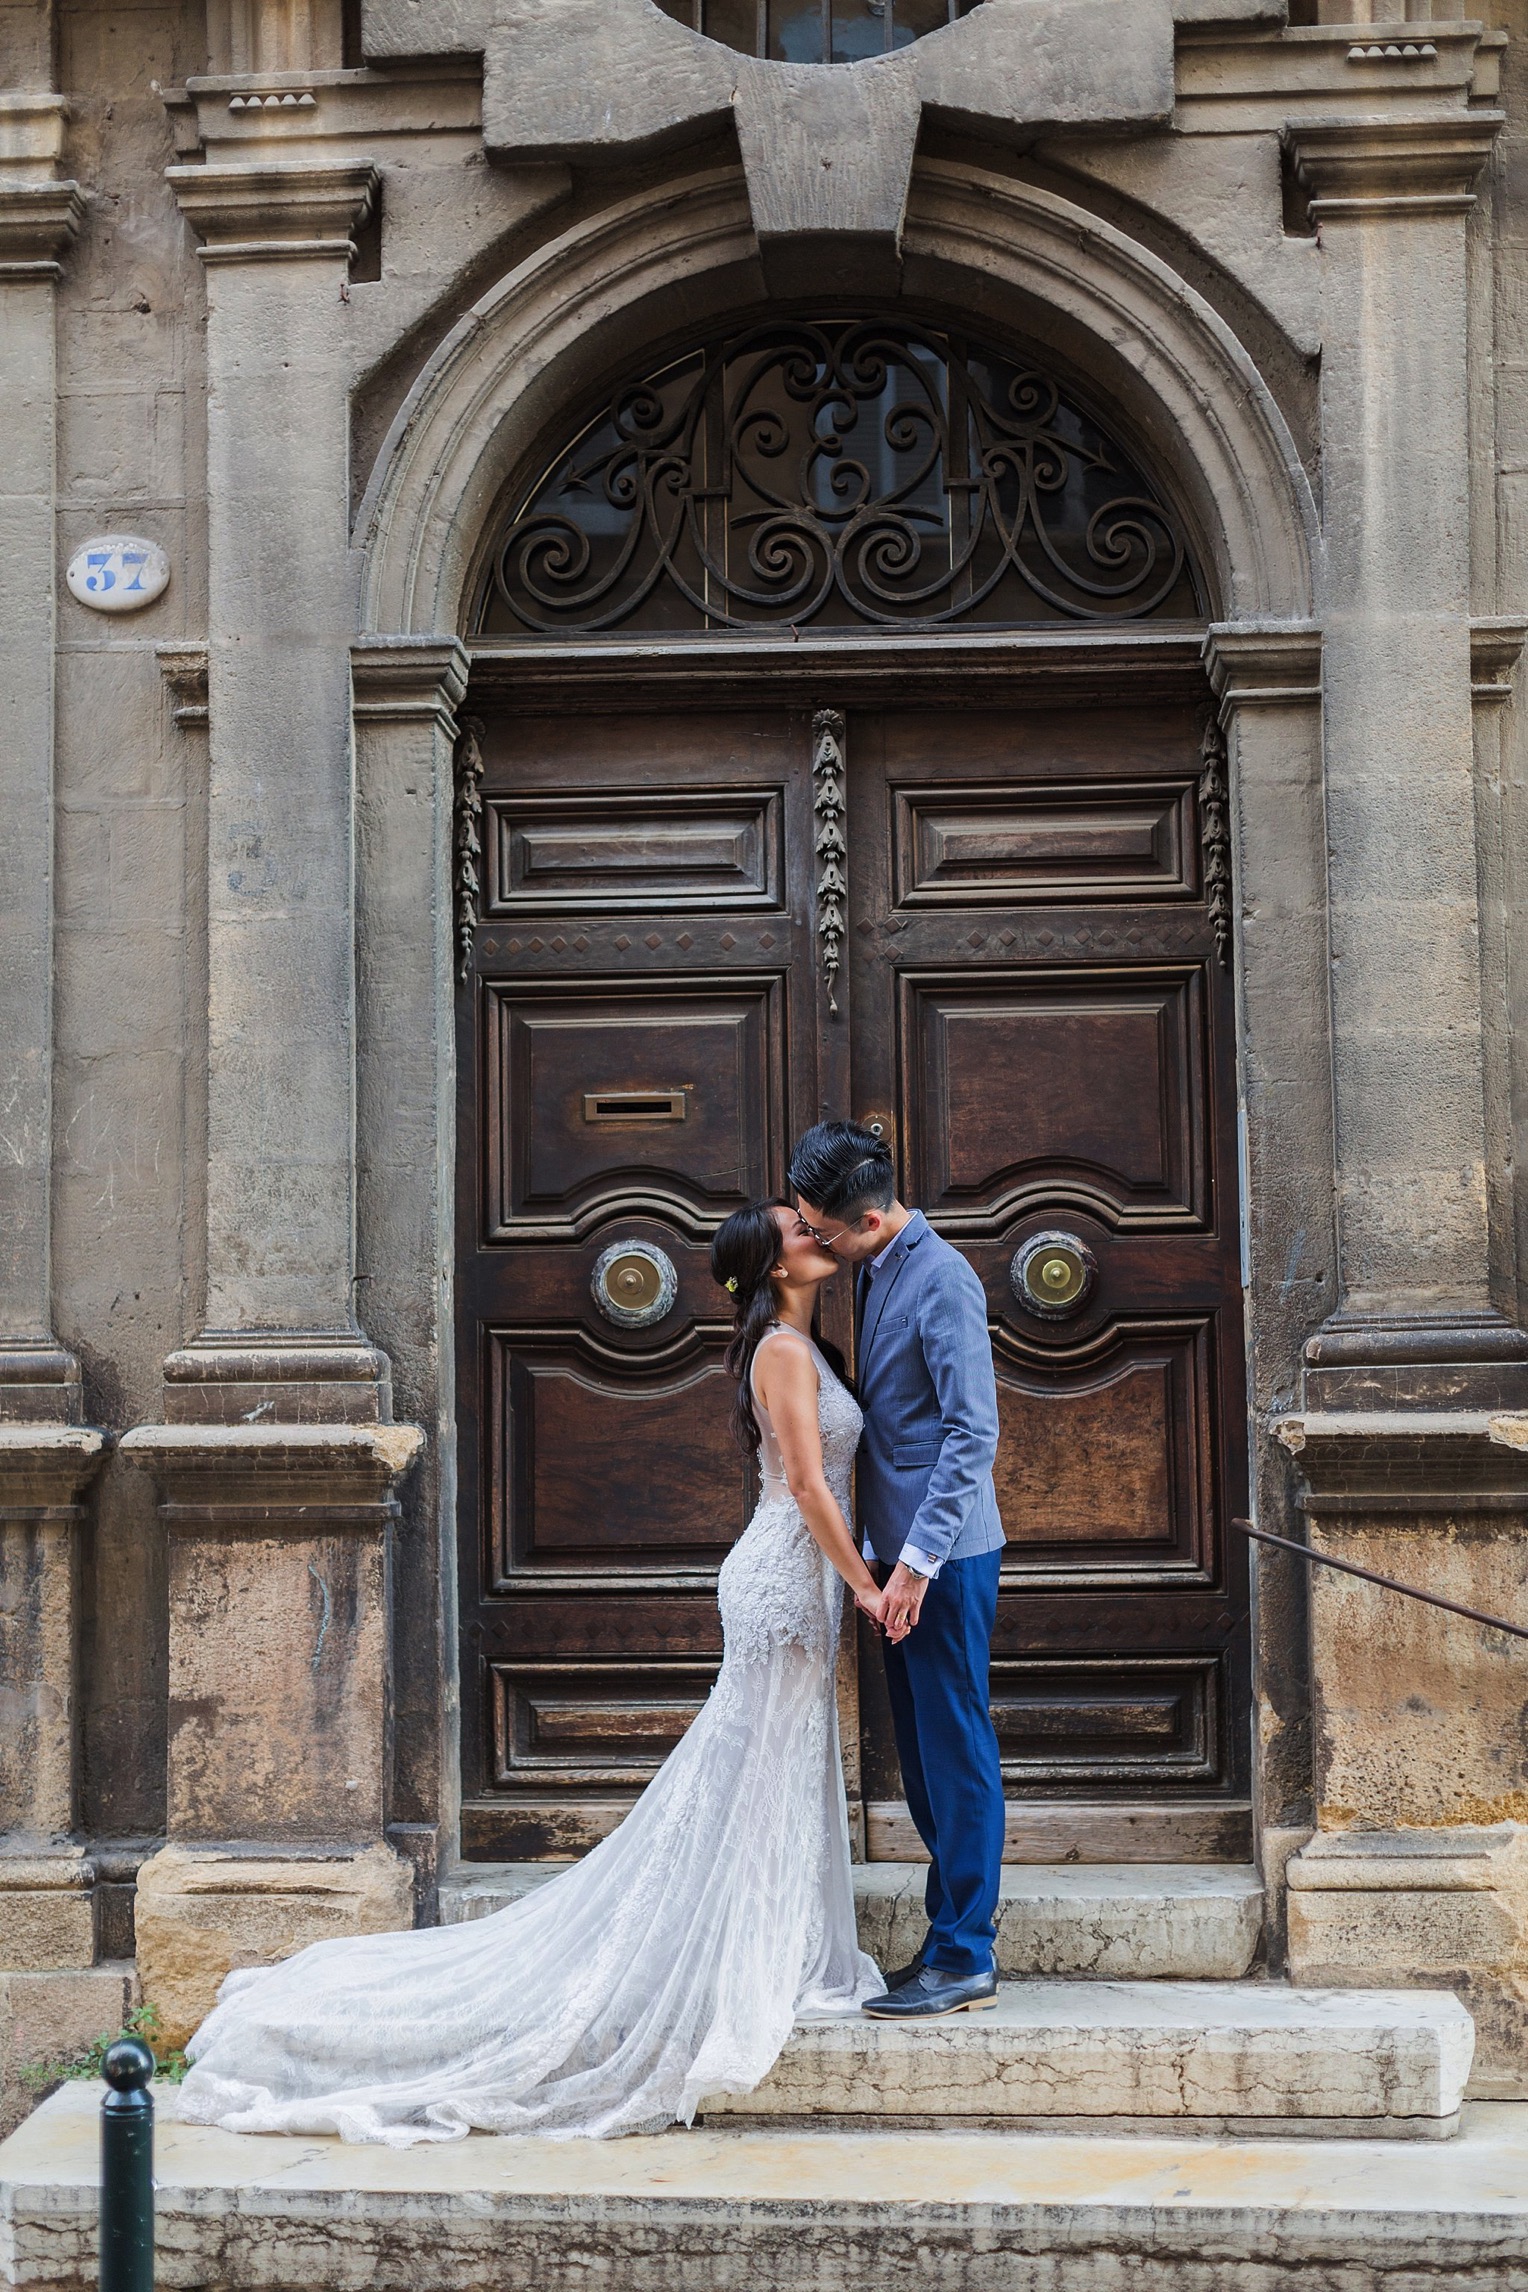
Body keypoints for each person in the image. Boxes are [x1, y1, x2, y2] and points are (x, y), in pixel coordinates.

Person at [174, 1200, 885, 2146]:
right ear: (772, 1268)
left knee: (767, 1773)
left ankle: (760, 1946)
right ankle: (733, 1958)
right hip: (782, 1584)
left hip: (799, 1582)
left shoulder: (806, 1347)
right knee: (752, 1773)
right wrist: (870, 1588)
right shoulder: (784, 1356)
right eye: (799, 1231)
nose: (817, 1234)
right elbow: (803, 1485)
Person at [790, 1120, 1006, 2020]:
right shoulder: (881, 1268)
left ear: (870, 1220)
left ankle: (966, 1956)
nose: (813, 1244)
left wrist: (913, 1565)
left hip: (944, 1559)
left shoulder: (944, 1277)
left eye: (822, 1231)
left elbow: (971, 1432)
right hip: (899, 1556)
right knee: (923, 1760)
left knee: (953, 1752)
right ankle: (946, 1938)